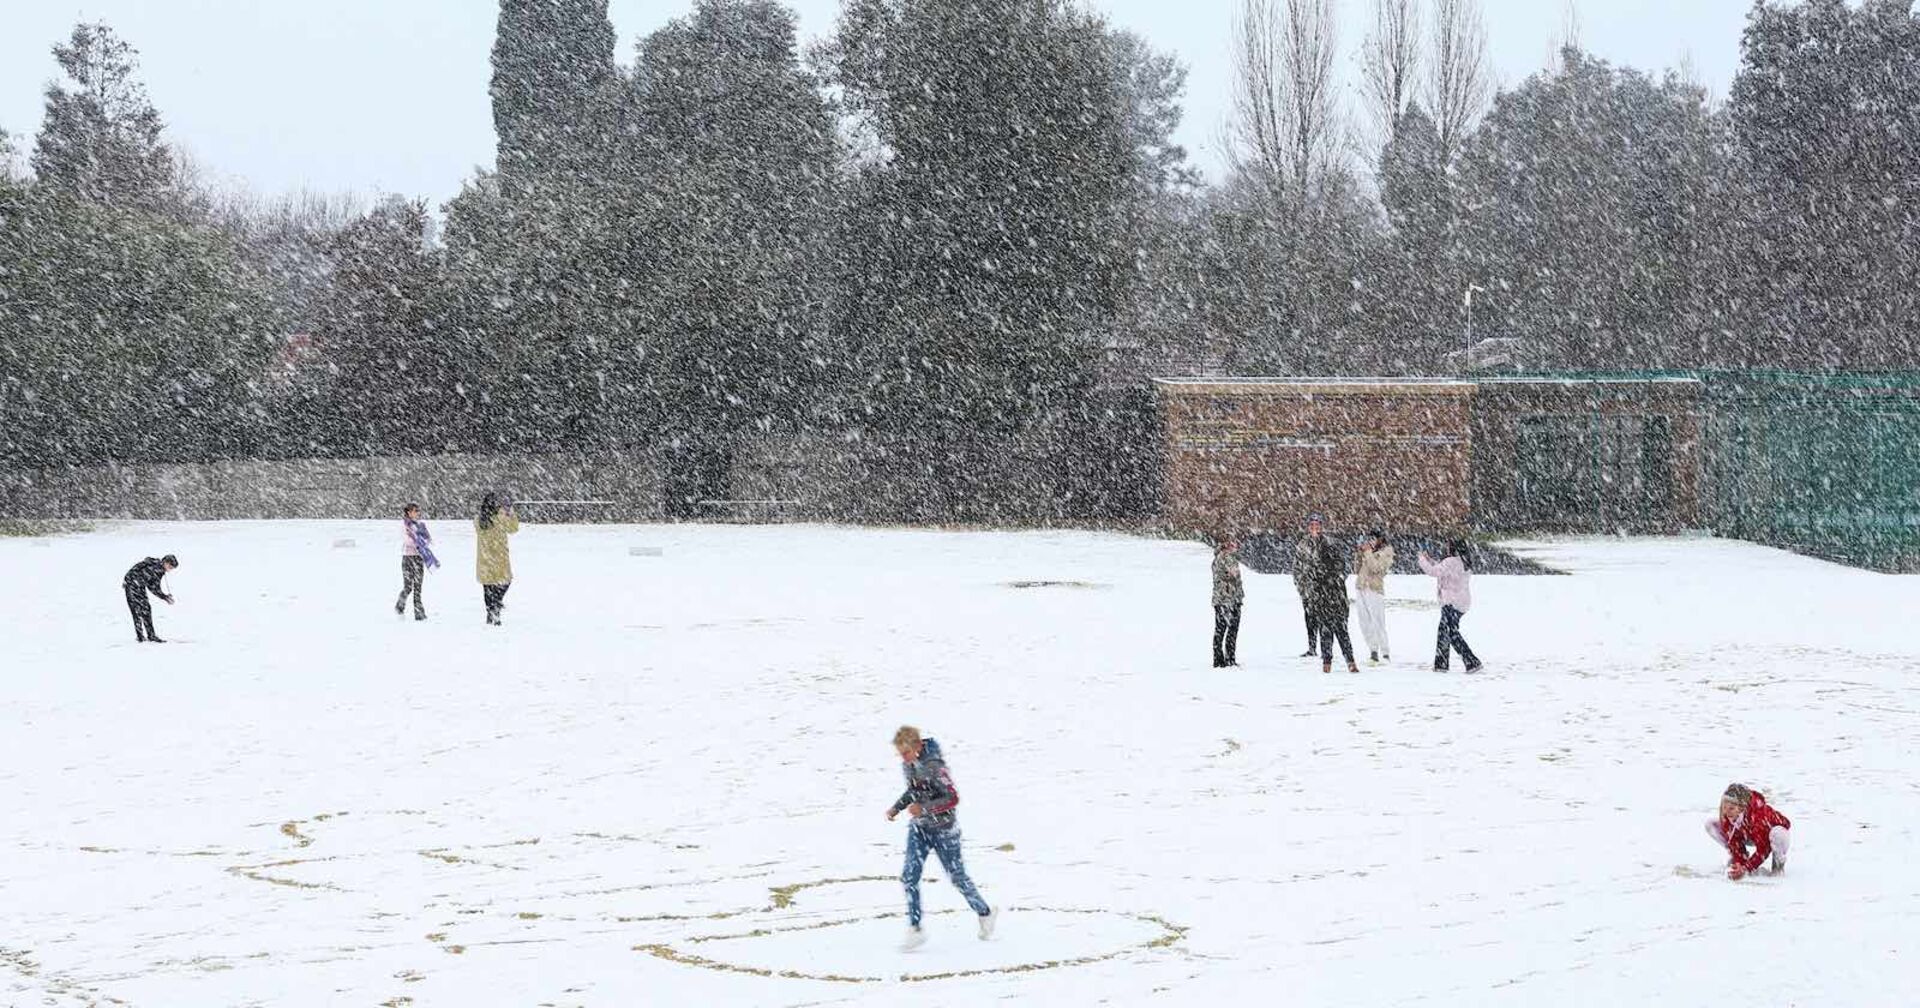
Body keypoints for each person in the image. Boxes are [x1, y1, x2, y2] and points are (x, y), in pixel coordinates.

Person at [886, 725, 997, 950]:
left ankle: (985, 913)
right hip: (919, 830)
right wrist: (898, 807)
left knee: (957, 878)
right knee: (909, 876)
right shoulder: (908, 765)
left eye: (906, 753)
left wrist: (924, 809)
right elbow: (915, 790)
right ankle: (915, 928)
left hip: (945, 831)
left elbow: (952, 798)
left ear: (917, 747)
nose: (903, 759)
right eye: (900, 754)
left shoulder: (935, 766)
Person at [1417, 538, 1482, 673]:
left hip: (1451, 602)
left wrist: (1422, 559)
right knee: (1445, 631)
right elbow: (1442, 570)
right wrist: (1431, 561)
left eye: (1448, 546)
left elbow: (1434, 572)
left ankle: (1471, 661)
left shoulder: (1451, 561)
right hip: (1461, 602)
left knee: (1450, 633)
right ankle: (1442, 664)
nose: (1445, 548)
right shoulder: (1463, 561)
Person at [1708, 783, 1791, 879]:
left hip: (1771, 836)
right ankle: (1737, 857)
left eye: (1731, 808)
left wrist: (1747, 868)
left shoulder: (1758, 817)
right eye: (1724, 808)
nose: (1727, 812)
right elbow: (1734, 840)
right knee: (1711, 824)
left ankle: (1778, 864)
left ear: (1741, 808)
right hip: (1748, 834)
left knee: (1777, 833)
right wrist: (1740, 862)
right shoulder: (1728, 816)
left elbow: (1763, 850)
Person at [1306, 530, 1359, 674]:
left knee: (1328, 634)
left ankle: (1328, 663)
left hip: (1327, 602)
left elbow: (1315, 581)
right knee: (1341, 633)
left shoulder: (1322, 567)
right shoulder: (1336, 569)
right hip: (1334, 602)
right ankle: (1348, 661)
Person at [475, 493, 519, 626]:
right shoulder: (501, 518)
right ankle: (496, 606)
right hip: (499, 557)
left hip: (485, 557)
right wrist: (510, 513)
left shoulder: (478, 519)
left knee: (487, 586)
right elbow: (514, 528)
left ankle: (490, 612)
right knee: (504, 582)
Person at [1354, 531, 1394, 664]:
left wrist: (1367, 553)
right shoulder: (1368, 552)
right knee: (1364, 621)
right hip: (1361, 588)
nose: (1370, 541)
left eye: (1373, 539)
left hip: (1374, 589)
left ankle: (1385, 653)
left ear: (1380, 540)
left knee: (1378, 621)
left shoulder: (1386, 552)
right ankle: (1373, 651)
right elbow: (1356, 569)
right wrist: (1359, 554)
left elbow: (1376, 568)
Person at [395, 503, 439, 621]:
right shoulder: (404, 525)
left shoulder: (421, 525)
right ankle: (400, 604)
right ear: (408, 512)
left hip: (419, 558)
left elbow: (428, 540)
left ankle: (419, 613)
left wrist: (422, 542)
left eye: (418, 510)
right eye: (414, 511)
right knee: (408, 587)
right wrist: (418, 542)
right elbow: (407, 540)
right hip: (408, 558)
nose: (417, 513)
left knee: (418, 587)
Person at [122, 554, 178, 643]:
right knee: (137, 611)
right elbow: (153, 587)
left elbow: (153, 586)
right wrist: (127, 580)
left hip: (140, 587)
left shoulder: (158, 568)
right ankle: (141, 637)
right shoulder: (155, 567)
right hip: (132, 586)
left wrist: (164, 596)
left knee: (146, 610)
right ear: (166, 562)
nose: (170, 570)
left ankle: (150, 635)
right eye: (170, 567)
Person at [1292, 517, 1324, 657]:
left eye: (1317, 525)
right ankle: (1312, 647)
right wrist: (1300, 584)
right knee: (1310, 619)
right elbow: (1296, 566)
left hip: (1322, 588)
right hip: (1307, 589)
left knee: (1324, 619)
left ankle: (1325, 648)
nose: (1314, 527)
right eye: (1312, 525)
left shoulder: (1326, 542)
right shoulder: (1302, 543)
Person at [1212, 537, 1244, 668]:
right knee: (1221, 629)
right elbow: (1222, 578)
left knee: (1233, 630)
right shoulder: (1220, 559)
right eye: (1229, 543)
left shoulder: (1234, 559)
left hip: (1235, 598)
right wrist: (1230, 575)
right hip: (1223, 599)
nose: (1233, 545)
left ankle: (1230, 657)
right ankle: (1218, 659)